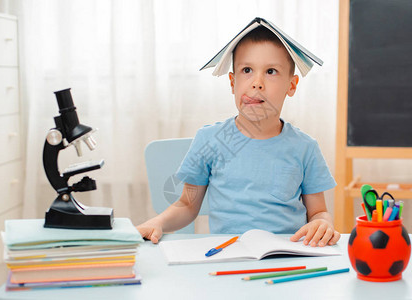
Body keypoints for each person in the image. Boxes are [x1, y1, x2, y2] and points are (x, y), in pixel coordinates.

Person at [136, 25, 340, 247]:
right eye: (247, 70)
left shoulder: (305, 147)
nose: (257, 82)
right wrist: (157, 222)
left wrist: (323, 223)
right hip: (228, 257)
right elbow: (187, 205)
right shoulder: (210, 140)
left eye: (271, 71)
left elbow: (318, 212)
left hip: (285, 258)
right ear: (233, 83)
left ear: (291, 85)